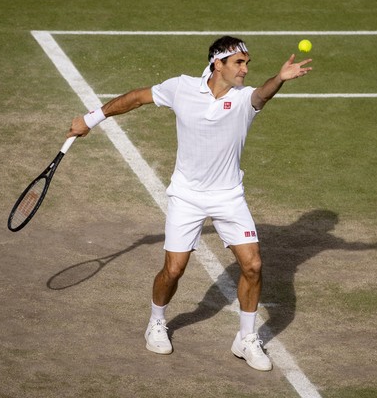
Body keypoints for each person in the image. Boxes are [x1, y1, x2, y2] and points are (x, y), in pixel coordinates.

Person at [67, 36, 312, 371]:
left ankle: (246, 338)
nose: (245, 69)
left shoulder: (244, 99)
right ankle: (156, 321)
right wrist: (91, 119)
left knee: (253, 266)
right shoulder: (181, 88)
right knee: (174, 269)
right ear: (218, 63)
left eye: (248, 63)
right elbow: (137, 98)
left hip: (228, 196)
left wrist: (280, 79)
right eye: (239, 62)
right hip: (186, 195)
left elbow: (262, 94)